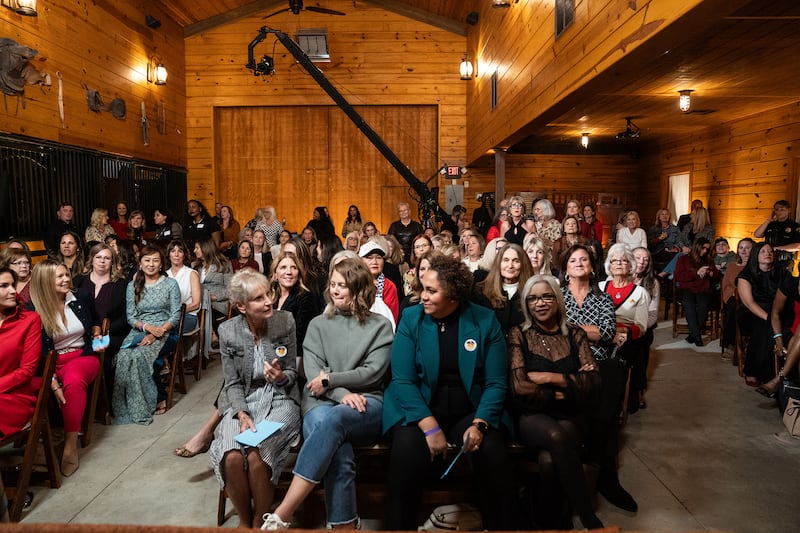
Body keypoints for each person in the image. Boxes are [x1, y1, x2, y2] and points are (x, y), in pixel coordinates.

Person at [262, 257, 394, 530]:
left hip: (367, 402)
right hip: (319, 401)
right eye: (332, 284)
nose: (334, 291)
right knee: (338, 449)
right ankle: (345, 526)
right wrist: (341, 392)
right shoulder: (318, 324)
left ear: (359, 289)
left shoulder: (380, 326)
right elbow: (313, 373)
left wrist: (332, 380)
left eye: (342, 286)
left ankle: (285, 510)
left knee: (336, 421)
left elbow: (373, 372)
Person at [383, 254, 512, 530]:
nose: (423, 297)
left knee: (492, 453)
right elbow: (403, 380)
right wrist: (429, 426)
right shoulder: (411, 318)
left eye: (431, 291)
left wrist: (479, 424)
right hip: (420, 406)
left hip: (470, 408)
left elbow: (496, 382)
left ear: (453, 294)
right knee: (405, 455)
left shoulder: (484, 321)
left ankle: (499, 525)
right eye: (423, 289)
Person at [507, 274, 602, 530]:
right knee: (556, 437)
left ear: (557, 300)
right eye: (533, 298)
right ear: (526, 304)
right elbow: (520, 387)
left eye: (546, 296)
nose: (540, 303)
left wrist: (550, 377)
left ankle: (549, 518)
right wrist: (569, 386)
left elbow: (594, 382)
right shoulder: (519, 335)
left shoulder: (575, 334)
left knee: (549, 460)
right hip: (531, 418)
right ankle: (586, 515)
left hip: (569, 415)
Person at [208, 269, 302, 529]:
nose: (268, 301)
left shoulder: (286, 321)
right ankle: (244, 522)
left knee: (257, 453)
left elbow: (293, 373)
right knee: (232, 455)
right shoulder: (227, 331)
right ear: (241, 306)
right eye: (258, 298)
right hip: (243, 400)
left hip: (280, 398)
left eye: (268, 294)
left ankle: (262, 520)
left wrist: (281, 376)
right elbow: (232, 382)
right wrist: (241, 413)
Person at [559, 244, 637, 512]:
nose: (579, 263)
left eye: (584, 260)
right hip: (567, 360)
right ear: (566, 268)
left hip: (600, 362)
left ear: (592, 268)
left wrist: (573, 328)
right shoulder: (557, 297)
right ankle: (598, 470)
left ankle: (603, 474)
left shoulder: (603, 298)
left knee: (615, 369)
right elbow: (555, 332)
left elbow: (606, 332)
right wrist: (587, 331)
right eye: (573, 260)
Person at [29, 260, 102, 476]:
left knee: (73, 378)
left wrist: (97, 334)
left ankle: (70, 446)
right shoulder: (33, 308)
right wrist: (51, 381)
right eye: (59, 277)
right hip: (49, 363)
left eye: (66, 275)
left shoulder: (81, 297)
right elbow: (37, 352)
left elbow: (96, 320)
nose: (66, 280)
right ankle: (38, 443)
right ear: (44, 282)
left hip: (82, 356)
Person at [112, 245, 181, 424]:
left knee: (141, 355)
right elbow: (131, 317)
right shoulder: (132, 286)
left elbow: (175, 315)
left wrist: (158, 332)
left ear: (161, 264)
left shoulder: (170, 284)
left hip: (166, 331)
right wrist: (147, 329)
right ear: (140, 264)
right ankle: (129, 405)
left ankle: (158, 397)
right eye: (147, 260)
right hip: (141, 329)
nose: (151, 264)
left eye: (155, 260)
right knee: (124, 356)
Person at [74, 243, 130, 411]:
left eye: (107, 258)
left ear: (112, 262)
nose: (102, 261)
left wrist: (104, 334)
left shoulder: (121, 284)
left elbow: (126, 317)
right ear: (91, 260)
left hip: (112, 334)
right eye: (98, 257)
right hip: (81, 334)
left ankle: (103, 406)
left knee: (101, 356)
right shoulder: (78, 281)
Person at [0, 268, 41, 439]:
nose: (12, 291)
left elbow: (26, 372)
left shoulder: (29, 320)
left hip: (15, 397)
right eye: (4, 286)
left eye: (12, 285)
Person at [737, 242, 786, 386]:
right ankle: (754, 370)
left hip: (775, 311)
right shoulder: (746, 275)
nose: (768, 253)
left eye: (770, 251)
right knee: (763, 326)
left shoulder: (782, 273)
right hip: (752, 312)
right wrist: (769, 319)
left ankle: (780, 371)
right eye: (763, 251)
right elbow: (749, 303)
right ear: (756, 255)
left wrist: (775, 317)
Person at [270, 251, 320, 363]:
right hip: (272, 353)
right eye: (283, 267)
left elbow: (300, 335)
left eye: (293, 268)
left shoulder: (306, 298)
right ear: (275, 274)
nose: (289, 272)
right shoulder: (270, 297)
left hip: (296, 356)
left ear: (299, 273)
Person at [473, 243, 533, 336]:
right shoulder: (481, 290)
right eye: (506, 260)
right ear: (499, 263)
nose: (510, 265)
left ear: (523, 265)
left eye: (516, 261)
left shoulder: (532, 291)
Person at [674, 238, 719, 347]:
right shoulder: (684, 259)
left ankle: (694, 334)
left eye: (707, 249)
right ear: (697, 246)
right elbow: (679, 277)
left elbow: (717, 275)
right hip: (687, 288)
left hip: (703, 289)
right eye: (703, 248)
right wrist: (696, 273)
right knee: (689, 304)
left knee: (704, 305)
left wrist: (709, 272)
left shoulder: (708, 260)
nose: (704, 251)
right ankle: (697, 336)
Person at [631, 246, 659, 410]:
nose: (641, 262)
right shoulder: (617, 277)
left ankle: (637, 390)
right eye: (637, 258)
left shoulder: (652, 283)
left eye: (645, 259)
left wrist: (637, 329)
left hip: (641, 327)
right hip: (618, 326)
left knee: (639, 347)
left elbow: (653, 314)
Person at [194, 238, 233, 346]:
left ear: (205, 248)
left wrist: (215, 297)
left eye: (197, 248)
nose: (194, 250)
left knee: (203, 303)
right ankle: (210, 334)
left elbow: (231, 288)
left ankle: (211, 335)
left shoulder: (224, 264)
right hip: (200, 302)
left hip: (218, 304)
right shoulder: (195, 266)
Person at [720, 238, 754, 354]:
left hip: (751, 299)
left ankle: (748, 342)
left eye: (747, 248)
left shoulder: (756, 267)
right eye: (741, 248)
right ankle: (730, 343)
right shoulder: (732, 267)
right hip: (734, 297)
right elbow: (726, 285)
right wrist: (735, 292)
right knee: (733, 308)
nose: (743, 251)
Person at [359, 241, 399, 324]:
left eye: (379, 257)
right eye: (369, 257)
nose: (374, 262)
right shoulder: (355, 283)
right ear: (360, 261)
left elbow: (392, 317)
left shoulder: (389, 286)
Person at [166, 240, 202, 334]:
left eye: (180, 251)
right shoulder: (165, 275)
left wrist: (176, 312)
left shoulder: (191, 274)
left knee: (165, 329)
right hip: (166, 316)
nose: (176, 254)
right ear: (169, 254)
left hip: (187, 316)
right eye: (173, 251)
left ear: (184, 254)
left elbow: (196, 304)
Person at [754, 199, 800, 270]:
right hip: (768, 259)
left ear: (788, 210)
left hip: (785, 261)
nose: (779, 212)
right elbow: (757, 234)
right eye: (776, 210)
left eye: (782, 209)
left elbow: (798, 246)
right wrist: (768, 220)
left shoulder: (795, 226)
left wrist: (776, 249)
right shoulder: (771, 224)